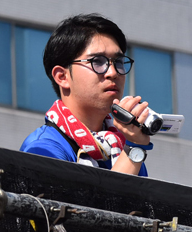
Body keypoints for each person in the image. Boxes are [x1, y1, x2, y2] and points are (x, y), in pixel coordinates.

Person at [20, 13, 150, 176]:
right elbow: (103, 202)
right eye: (97, 61)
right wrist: (134, 150)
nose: (113, 72)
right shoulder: (43, 147)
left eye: (118, 62)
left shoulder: (121, 146)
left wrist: (133, 149)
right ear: (62, 77)